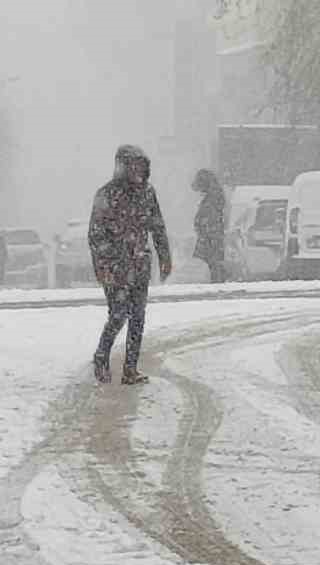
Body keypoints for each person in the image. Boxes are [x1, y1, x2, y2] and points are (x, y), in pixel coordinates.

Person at [89, 144, 172, 385]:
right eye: (133, 165)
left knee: (138, 317)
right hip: (115, 268)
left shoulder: (148, 193)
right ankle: (101, 356)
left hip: (139, 265)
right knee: (118, 315)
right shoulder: (106, 194)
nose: (138, 170)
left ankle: (130, 369)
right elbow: (95, 235)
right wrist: (105, 265)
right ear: (122, 166)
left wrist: (164, 256)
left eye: (142, 166)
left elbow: (157, 226)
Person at [192, 168, 227, 283]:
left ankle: (217, 283)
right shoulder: (214, 197)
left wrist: (203, 229)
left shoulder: (211, 200)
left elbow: (210, 220)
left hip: (211, 239)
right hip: (211, 238)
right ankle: (218, 282)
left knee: (214, 264)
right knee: (214, 264)